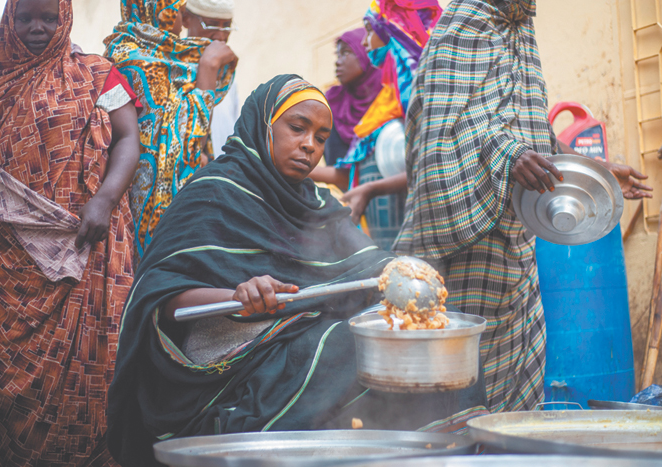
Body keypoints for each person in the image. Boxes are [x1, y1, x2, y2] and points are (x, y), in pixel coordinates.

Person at [106, 75, 486, 467]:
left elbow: (366, 261)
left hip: (299, 332)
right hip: (227, 361)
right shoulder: (214, 191)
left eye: (321, 138)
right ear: (263, 124)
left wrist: (403, 269)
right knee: (345, 345)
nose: (310, 145)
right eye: (297, 128)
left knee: (426, 339)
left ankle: (430, 453)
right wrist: (237, 296)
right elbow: (162, 294)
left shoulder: (318, 201)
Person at [394, 0, 653, 414]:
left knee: (519, 397)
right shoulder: (463, 24)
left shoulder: (521, 31)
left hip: (517, 252)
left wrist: (593, 171)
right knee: (457, 390)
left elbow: (530, 128)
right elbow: (443, 130)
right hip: (467, 252)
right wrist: (508, 155)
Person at [0, 0, 141, 465]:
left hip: (88, 244)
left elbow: (128, 139)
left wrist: (103, 199)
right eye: (25, 18)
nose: (37, 28)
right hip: (9, 260)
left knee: (94, 363)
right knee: (9, 375)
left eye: (48, 18)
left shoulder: (98, 74)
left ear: (65, 20)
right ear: (8, 21)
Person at [104, 0, 238, 264]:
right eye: (178, 10)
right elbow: (185, 143)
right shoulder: (135, 60)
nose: (182, 17)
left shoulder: (174, 58)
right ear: (160, 10)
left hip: (183, 194)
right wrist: (208, 70)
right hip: (141, 201)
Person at [312, 0, 442, 251]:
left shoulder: (417, 91)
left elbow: (429, 162)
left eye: (369, 31)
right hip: (379, 232)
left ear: (391, 31)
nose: (364, 43)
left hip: (418, 230)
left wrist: (371, 188)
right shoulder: (385, 101)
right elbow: (355, 171)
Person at [182, 0, 241, 157]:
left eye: (227, 26)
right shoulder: (173, 71)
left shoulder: (227, 77)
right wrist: (208, 67)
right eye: (212, 24)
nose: (221, 36)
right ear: (186, 18)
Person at [322, 28, 382, 167]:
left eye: (346, 52)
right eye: (338, 55)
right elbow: (334, 164)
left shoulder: (392, 95)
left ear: (365, 53)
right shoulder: (333, 102)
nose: (337, 62)